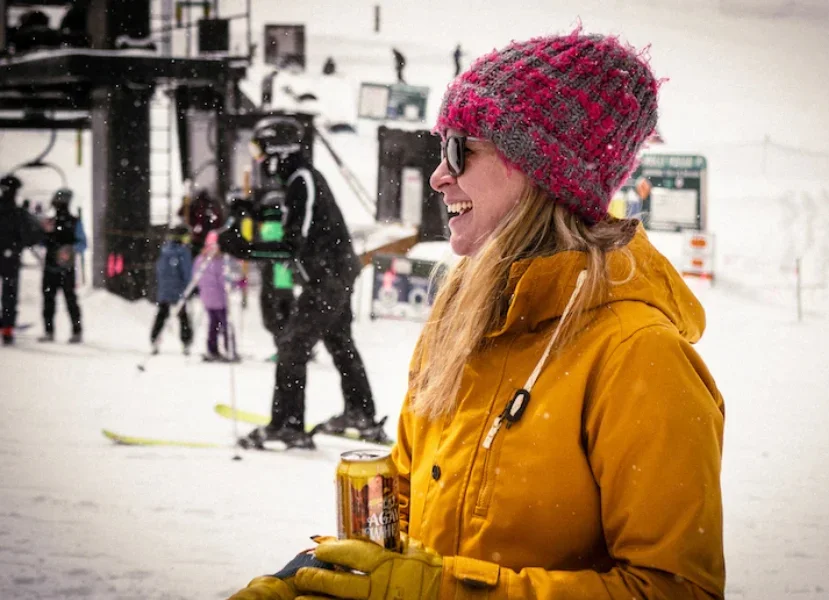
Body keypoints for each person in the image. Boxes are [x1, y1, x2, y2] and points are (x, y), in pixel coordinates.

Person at [227, 30, 726, 600]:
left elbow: (676, 591)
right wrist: (319, 582)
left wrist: (445, 594)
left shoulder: (639, 356)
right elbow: (410, 518)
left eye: (460, 149)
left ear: (541, 168)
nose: (440, 174)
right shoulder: (457, 324)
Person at [218, 116, 386, 450]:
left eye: (261, 151)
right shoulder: (297, 180)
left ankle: (287, 425)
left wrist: (245, 248)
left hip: (328, 277)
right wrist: (248, 209)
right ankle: (360, 413)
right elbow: (288, 222)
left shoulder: (303, 180)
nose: (260, 160)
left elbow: (294, 243)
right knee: (339, 342)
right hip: (332, 274)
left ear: (279, 151)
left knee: (293, 345)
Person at [38, 188, 86, 344]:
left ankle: (74, 331)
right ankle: (50, 330)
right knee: (51, 300)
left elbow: (82, 243)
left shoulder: (73, 221)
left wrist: (69, 250)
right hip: (53, 266)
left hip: (65, 268)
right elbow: (41, 241)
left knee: (68, 299)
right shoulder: (53, 221)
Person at [0, 174, 44, 345]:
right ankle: (8, 329)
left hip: (8, 255)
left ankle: (7, 326)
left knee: (9, 294)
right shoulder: (19, 214)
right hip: (11, 259)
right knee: (10, 295)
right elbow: (33, 234)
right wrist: (18, 245)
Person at [150, 224, 194, 355]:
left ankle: (155, 339)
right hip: (179, 289)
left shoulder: (165, 251)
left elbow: (160, 270)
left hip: (165, 289)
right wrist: (189, 287)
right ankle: (186, 342)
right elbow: (187, 273)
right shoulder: (183, 252)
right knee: (183, 316)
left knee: (162, 314)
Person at [193, 231, 234, 362]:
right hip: (219, 299)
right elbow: (224, 281)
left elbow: (196, 277)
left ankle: (212, 349)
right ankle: (230, 349)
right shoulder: (218, 261)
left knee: (213, 325)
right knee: (225, 325)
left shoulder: (200, 260)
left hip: (207, 298)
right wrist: (236, 283)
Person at [181, 188, 224, 256]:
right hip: (206, 237)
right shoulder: (209, 205)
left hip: (201, 236)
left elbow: (182, 214)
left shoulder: (196, 205)